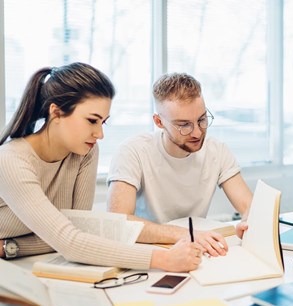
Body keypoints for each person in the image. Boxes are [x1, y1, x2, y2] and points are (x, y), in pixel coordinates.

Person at [0, 62, 203, 272]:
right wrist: (164, 259)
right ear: (57, 113)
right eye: (91, 121)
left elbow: (79, 231)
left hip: (24, 263)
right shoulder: (11, 161)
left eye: (103, 122)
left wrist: (11, 247)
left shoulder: (85, 152)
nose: (100, 134)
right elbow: (70, 242)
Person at [106, 72, 253, 256]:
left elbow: (250, 207)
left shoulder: (217, 150)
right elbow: (118, 222)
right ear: (159, 122)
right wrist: (186, 235)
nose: (197, 133)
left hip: (197, 251)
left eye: (202, 120)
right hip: (149, 256)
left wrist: (248, 222)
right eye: (184, 125)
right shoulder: (133, 151)